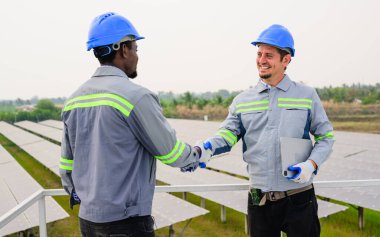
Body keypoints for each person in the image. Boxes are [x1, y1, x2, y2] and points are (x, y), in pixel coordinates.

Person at [59, 12, 200, 237]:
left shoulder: (73, 100)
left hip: (87, 221)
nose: (136, 55)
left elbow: (66, 164)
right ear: (123, 49)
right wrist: (196, 154)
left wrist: (81, 197)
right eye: (135, 48)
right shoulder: (135, 97)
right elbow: (171, 153)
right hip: (125, 222)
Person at [192, 24, 335, 237]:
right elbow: (228, 133)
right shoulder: (242, 100)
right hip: (258, 196)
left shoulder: (306, 95)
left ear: (285, 60)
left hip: (299, 196)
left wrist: (311, 164)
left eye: (269, 55)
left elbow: (326, 137)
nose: (261, 60)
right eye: (259, 54)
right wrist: (208, 148)